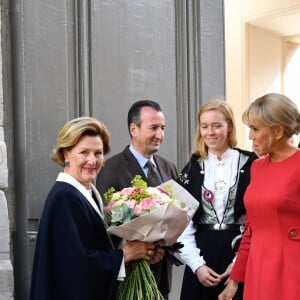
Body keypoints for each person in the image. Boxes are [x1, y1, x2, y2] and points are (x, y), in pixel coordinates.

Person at [29, 116, 164, 300]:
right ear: (65, 154)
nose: (92, 160)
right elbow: (76, 267)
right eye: (84, 152)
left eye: (98, 153)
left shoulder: (87, 193)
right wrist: (125, 254)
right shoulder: (64, 197)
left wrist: (139, 251)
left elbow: (93, 247)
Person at [218, 93, 300, 300]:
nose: (250, 136)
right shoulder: (257, 167)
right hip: (258, 270)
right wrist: (235, 281)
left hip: (291, 271)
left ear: (278, 130)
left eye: (255, 129)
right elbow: (250, 231)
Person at [176, 99, 257, 300]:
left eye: (217, 126)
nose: (210, 132)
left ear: (229, 127)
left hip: (241, 251)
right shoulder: (192, 169)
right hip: (202, 254)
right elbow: (181, 225)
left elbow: (258, 221)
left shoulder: (252, 164)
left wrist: (240, 262)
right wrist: (197, 265)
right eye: (204, 126)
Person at [97, 100, 178, 299]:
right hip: (129, 278)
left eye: (162, 128)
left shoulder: (169, 168)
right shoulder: (111, 168)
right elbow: (103, 227)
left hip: (161, 278)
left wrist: (163, 247)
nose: (160, 134)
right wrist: (132, 251)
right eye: (153, 128)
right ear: (134, 129)